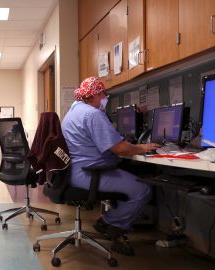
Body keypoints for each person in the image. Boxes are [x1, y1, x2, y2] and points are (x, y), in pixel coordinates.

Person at [61, 76, 160, 256]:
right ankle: (110, 223)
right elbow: (119, 148)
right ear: (96, 94)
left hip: (75, 171)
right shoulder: (92, 114)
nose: (105, 98)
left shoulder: (72, 112)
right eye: (104, 94)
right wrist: (142, 147)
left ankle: (113, 223)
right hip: (90, 174)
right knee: (142, 189)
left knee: (130, 178)